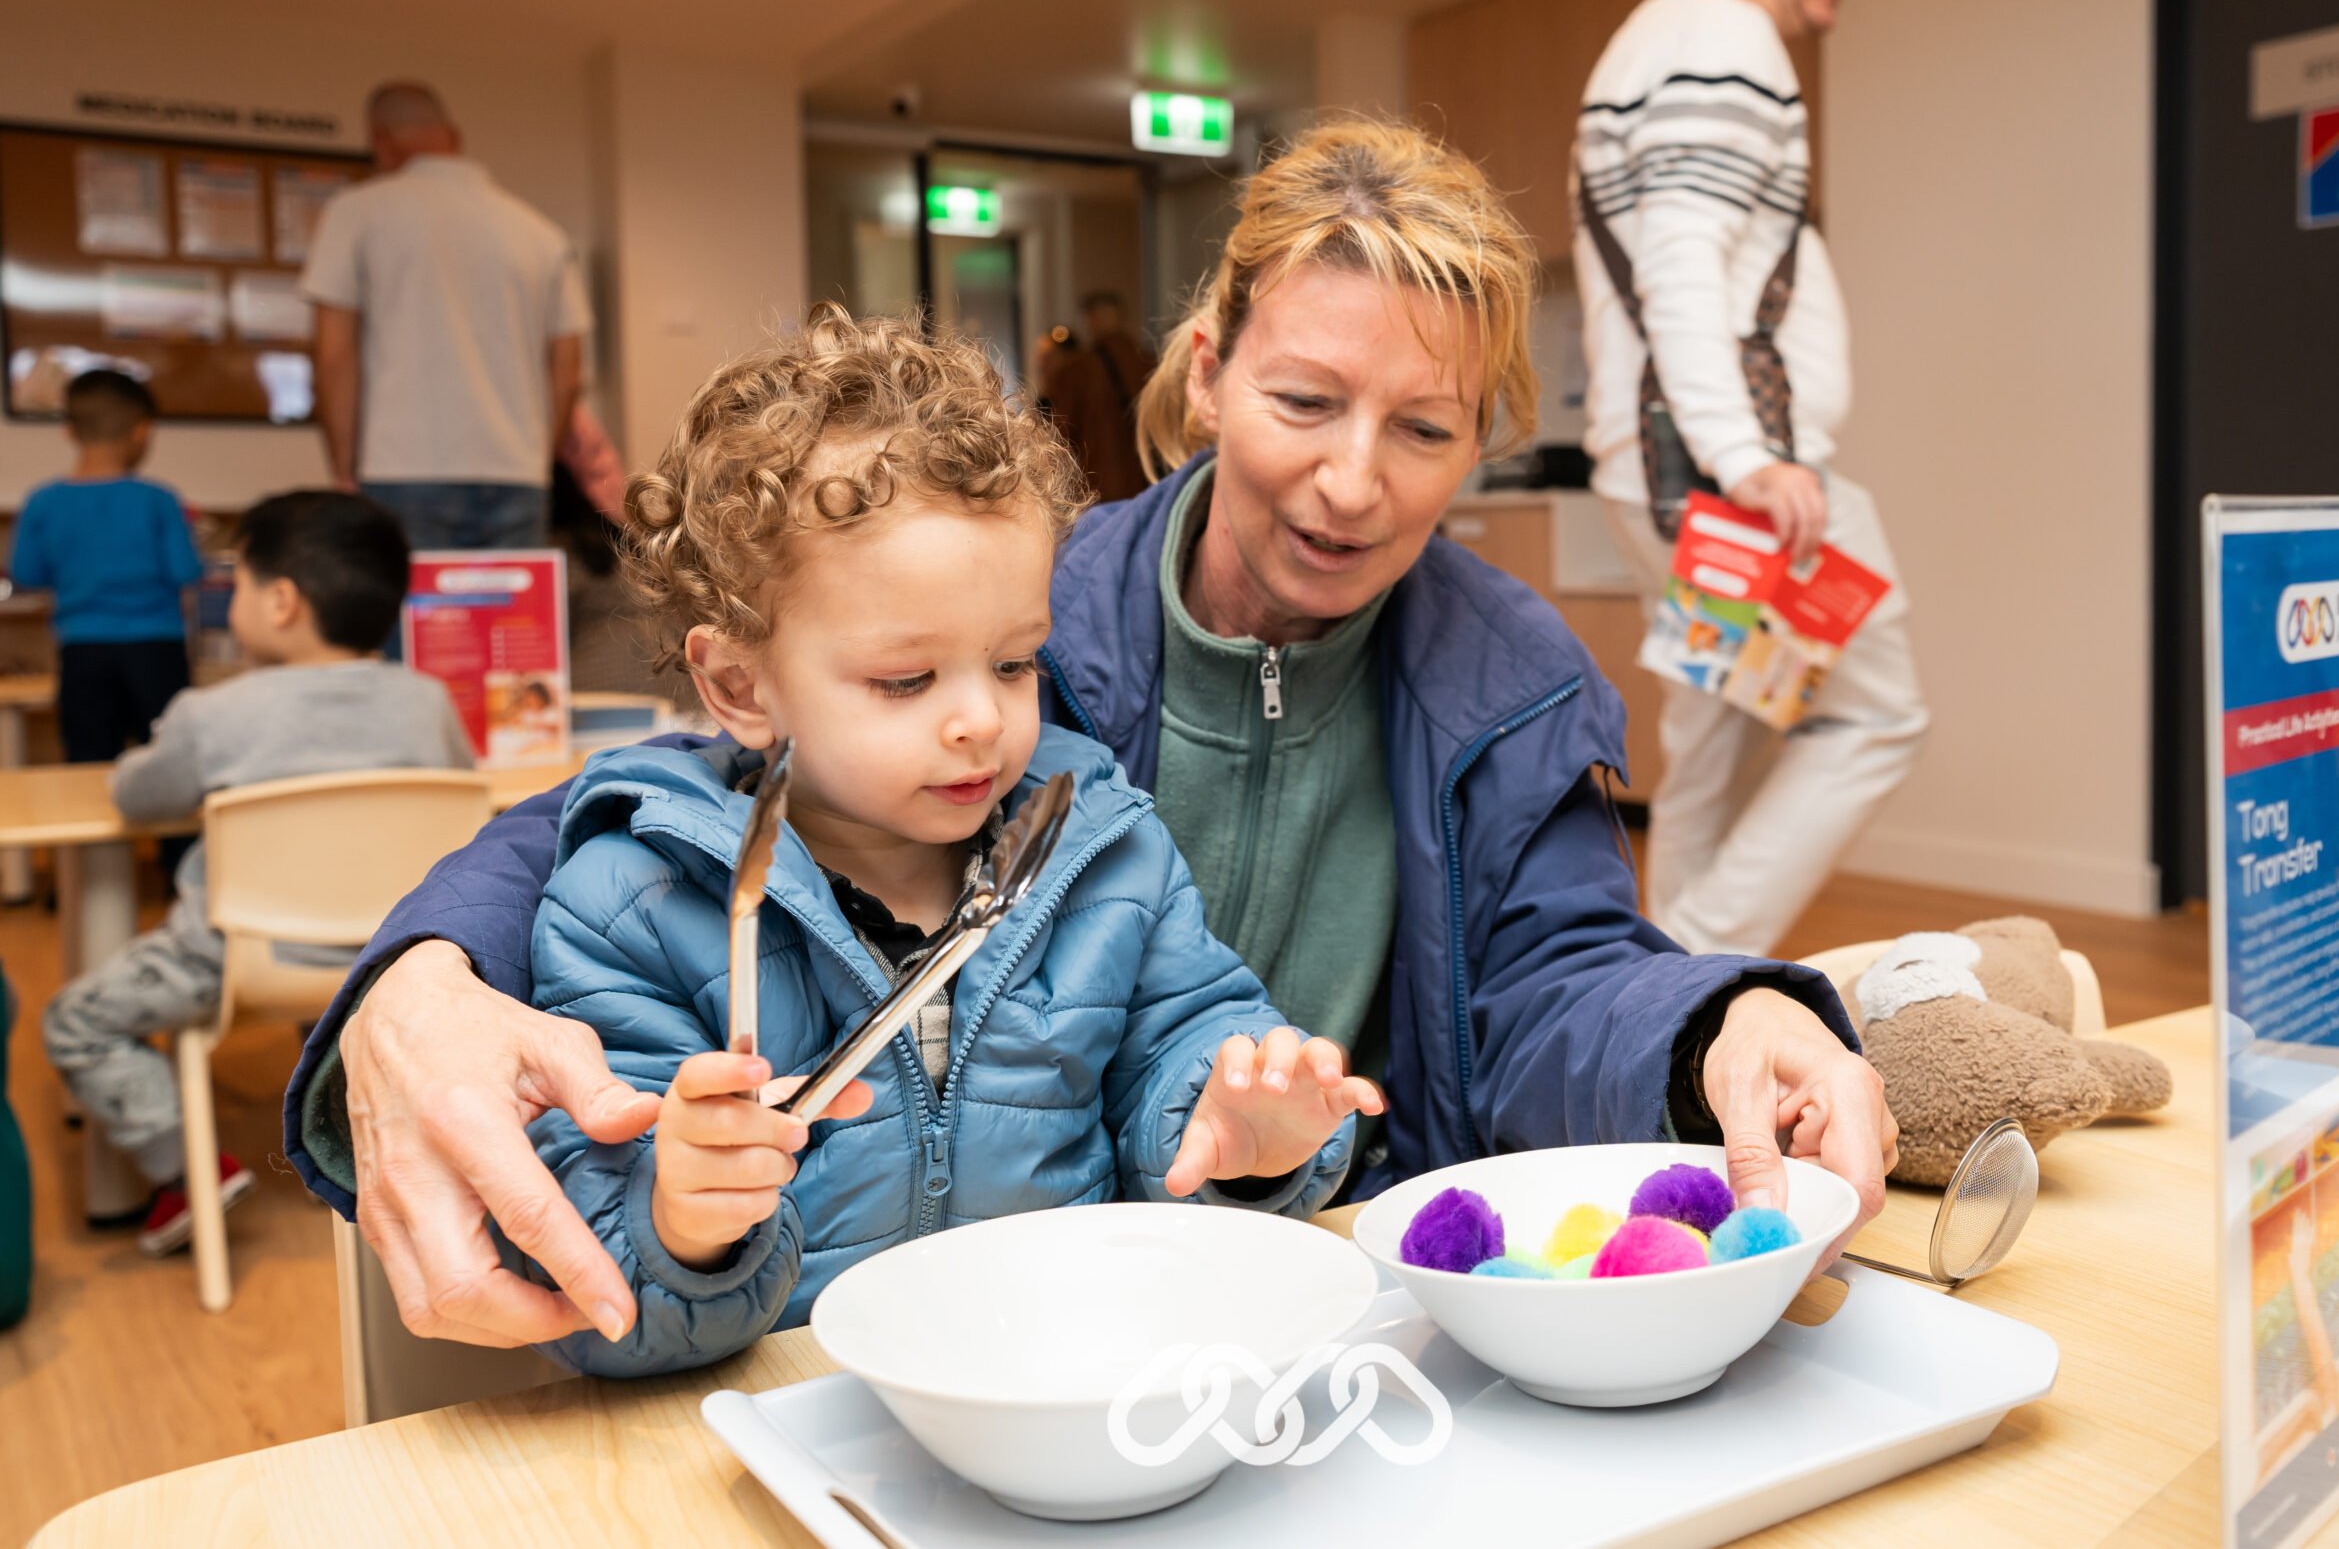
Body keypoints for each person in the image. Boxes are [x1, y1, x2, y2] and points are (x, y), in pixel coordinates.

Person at [283, 119, 1894, 1353]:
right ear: (1208, 374)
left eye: (1424, 428)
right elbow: (656, 816)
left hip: (1301, 1289)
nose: (1354, 482)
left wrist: (1716, 1024)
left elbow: (1552, 981)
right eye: (1306, 402)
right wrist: (413, 973)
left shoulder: (1512, 669)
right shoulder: (1028, 611)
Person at [502, 310, 1373, 1373]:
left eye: (1013, 663)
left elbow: (1186, 1051)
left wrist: (1244, 1122)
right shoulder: (634, 902)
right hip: (792, 1419)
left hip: (1072, 1383)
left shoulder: (1101, 852)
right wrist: (685, 1219)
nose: (981, 720)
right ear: (737, 682)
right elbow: (596, 1275)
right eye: (905, 679)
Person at [1574, 0, 1926, 957]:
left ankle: (1655, 999)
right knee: (1874, 712)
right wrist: (1744, 456)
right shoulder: (1719, 37)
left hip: (1686, 467)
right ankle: (1689, 967)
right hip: (1727, 477)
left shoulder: (1667, 37)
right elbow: (1682, 260)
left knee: (1709, 747)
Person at [42, 492, 472, 1254]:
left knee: (76, 1019)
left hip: (238, 958)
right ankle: (345, 1150)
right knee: (339, 998)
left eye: (236, 582)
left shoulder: (213, 715)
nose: (227, 597)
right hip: (382, 960)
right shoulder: (427, 703)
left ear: (280, 602)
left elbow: (135, 794)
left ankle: (187, 1168)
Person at [302, 81, 590, 552]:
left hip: (400, 468)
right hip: (518, 472)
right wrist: (537, 460)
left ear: (381, 140)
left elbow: (335, 355)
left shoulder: (356, 212)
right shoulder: (541, 233)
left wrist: (343, 469)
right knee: (509, 624)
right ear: (453, 137)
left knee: (416, 623)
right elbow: (567, 372)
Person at [7, 369, 202, 764]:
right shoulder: (159, 500)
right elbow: (186, 571)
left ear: (69, 432)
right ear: (141, 431)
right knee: (169, 760)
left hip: (82, 650)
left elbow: (26, 573)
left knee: (90, 760)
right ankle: (177, 830)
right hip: (157, 650)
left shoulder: (43, 502)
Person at [1045, 290, 1156, 502]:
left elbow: (1060, 434)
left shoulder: (1077, 371)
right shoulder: (1148, 364)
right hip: (1144, 483)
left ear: (1090, 319)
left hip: (1094, 486)